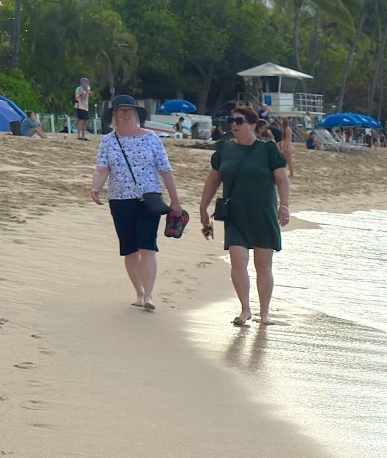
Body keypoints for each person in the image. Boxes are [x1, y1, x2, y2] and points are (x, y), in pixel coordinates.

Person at [89, 93, 182, 310]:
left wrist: (175, 200)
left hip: (148, 199)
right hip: (119, 199)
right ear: (114, 115)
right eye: (120, 111)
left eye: (129, 111)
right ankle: (139, 292)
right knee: (129, 248)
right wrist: (96, 187)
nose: (125, 115)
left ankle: (148, 295)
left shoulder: (151, 138)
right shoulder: (108, 141)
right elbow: (102, 167)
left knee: (147, 245)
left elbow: (165, 171)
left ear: (136, 114)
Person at [199, 106, 290, 327]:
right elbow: (213, 180)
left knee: (263, 265)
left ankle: (265, 313)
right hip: (235, 215)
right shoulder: (225, 149)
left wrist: (284, 206)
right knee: (238, 260)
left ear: (252, 125)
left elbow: (282, 179)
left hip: (263, 214)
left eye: (239, 121)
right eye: (232, 121)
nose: (234, 125)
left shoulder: (268, 150)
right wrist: (203, 208)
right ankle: (245, 309)